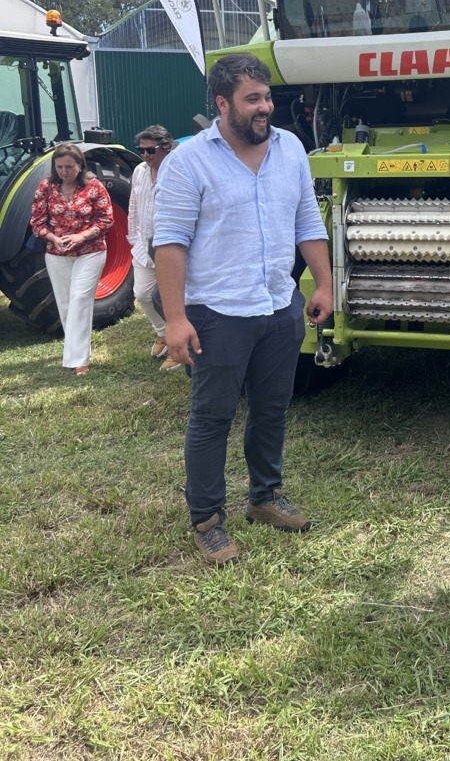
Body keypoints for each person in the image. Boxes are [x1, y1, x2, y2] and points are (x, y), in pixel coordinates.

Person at [153, 53, 333, 566]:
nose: (265, 107)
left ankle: (264, 497)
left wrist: (323, 284)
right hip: (217, 312)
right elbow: (169, 244)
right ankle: (207, 520)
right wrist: (175, 319)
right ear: (222, 103)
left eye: (267, 97)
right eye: (252, 99)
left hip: (278, 304)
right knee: (212, 417)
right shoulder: (189, 161)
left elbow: (307, 221)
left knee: (272, 408)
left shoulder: (290, 148)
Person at [30, 143, 114, 375]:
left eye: (69, 167)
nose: (64, 172)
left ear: (80, 166)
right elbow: (37, 222)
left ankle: (79, 361)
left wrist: (81, 236)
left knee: (79, 299)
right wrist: (53, 238)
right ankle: (75, 351)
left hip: (91, 250)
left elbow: (106, 219)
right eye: (59, 167)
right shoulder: (46, 187)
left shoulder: (94, 187)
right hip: (57, 253)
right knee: (66, 304)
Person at [127, 124, 182, 372]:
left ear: (166, 147)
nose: (145, 155)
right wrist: (134, 239)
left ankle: (177, 348)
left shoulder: (178, 172)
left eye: (150, 150)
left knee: (169, 298)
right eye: (141, 150)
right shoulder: (139, 171)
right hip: (143, 243)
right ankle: (162, 332)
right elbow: (133, 206)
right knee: (142, 293)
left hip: (170, 247)